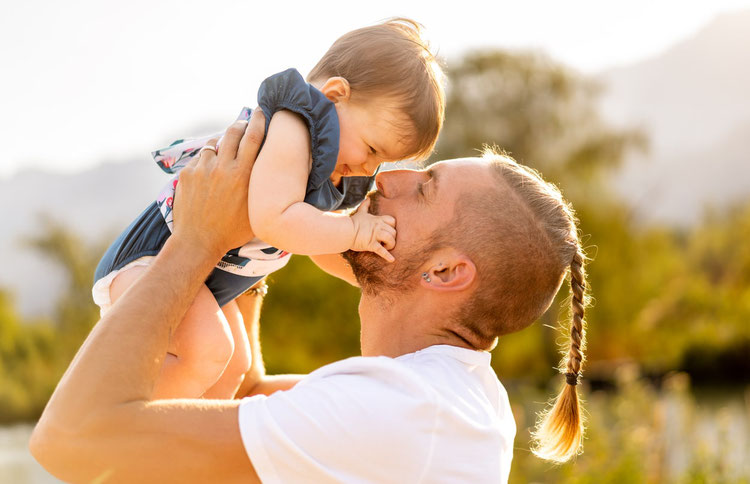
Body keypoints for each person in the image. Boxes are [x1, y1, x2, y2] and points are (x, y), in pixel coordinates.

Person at [30, 111, 589, 483]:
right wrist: (252, 236)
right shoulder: (441, 396)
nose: (388, 178)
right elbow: (242, 394)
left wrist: (195, 241)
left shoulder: (401, 412)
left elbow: (73, 439)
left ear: (444, 271)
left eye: (423, 188)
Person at [91, 18, 446, 400]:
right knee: (211, 352)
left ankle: (194, 448)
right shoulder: (294, 126)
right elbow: (275, 220)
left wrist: (378, 281)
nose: (367, 169)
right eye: (373, 150)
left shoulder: (328, 169)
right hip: (153, 259)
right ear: (334, 95)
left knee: (232, 369)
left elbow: (317, 245)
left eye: (381, 162)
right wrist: (354, 231)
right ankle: (120, 420)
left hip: (201, 278)